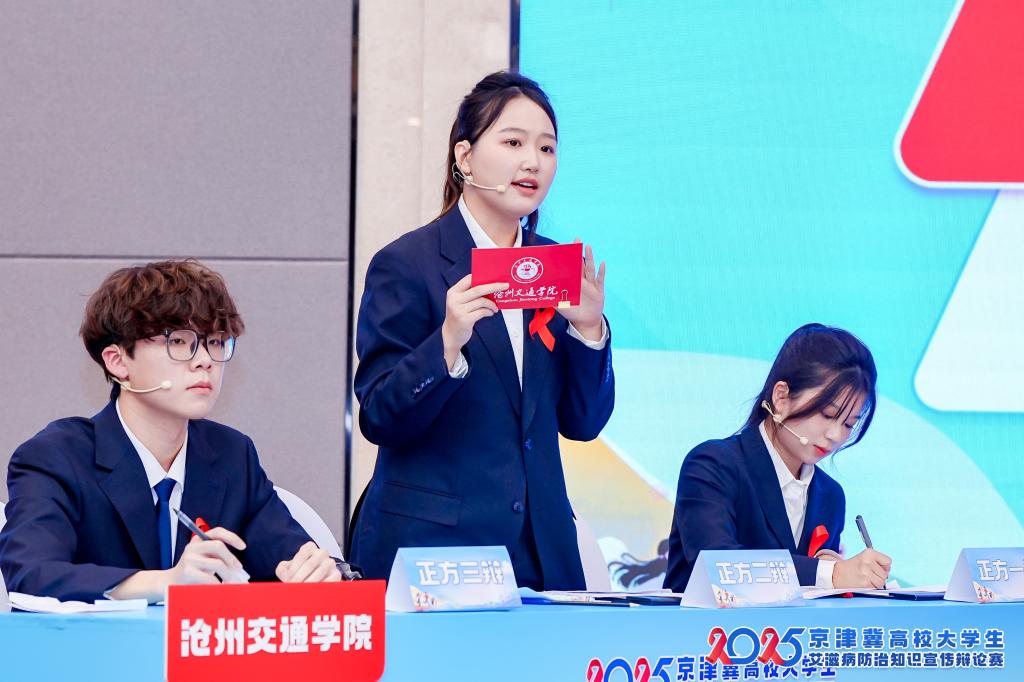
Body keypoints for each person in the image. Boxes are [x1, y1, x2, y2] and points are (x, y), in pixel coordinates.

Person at [349, 71, 615, 590]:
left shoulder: (555, 267)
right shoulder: (408, 263)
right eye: (513, 143)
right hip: (435, 551)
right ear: (465, 157)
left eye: (546, 148)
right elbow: (379, 416)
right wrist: (447, 342)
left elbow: (582, 424)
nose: (532, 162)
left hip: (541, 555)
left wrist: (589, 332)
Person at [0, 259, 341, 602]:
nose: (205, 360)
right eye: (178, 341)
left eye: (216, 342)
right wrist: (167, 582)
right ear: (118, 361)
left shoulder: (232, 455)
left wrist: (321, 571)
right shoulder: (57, 457)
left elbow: (290, 557)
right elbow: (32, 574)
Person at [664, 323, 892, 591]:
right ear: (782, 397)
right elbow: (717, 564)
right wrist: (829, 574)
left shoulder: (830, 495)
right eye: (828, 414)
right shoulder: (712, 465)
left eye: (849, 424)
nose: (835, 435)